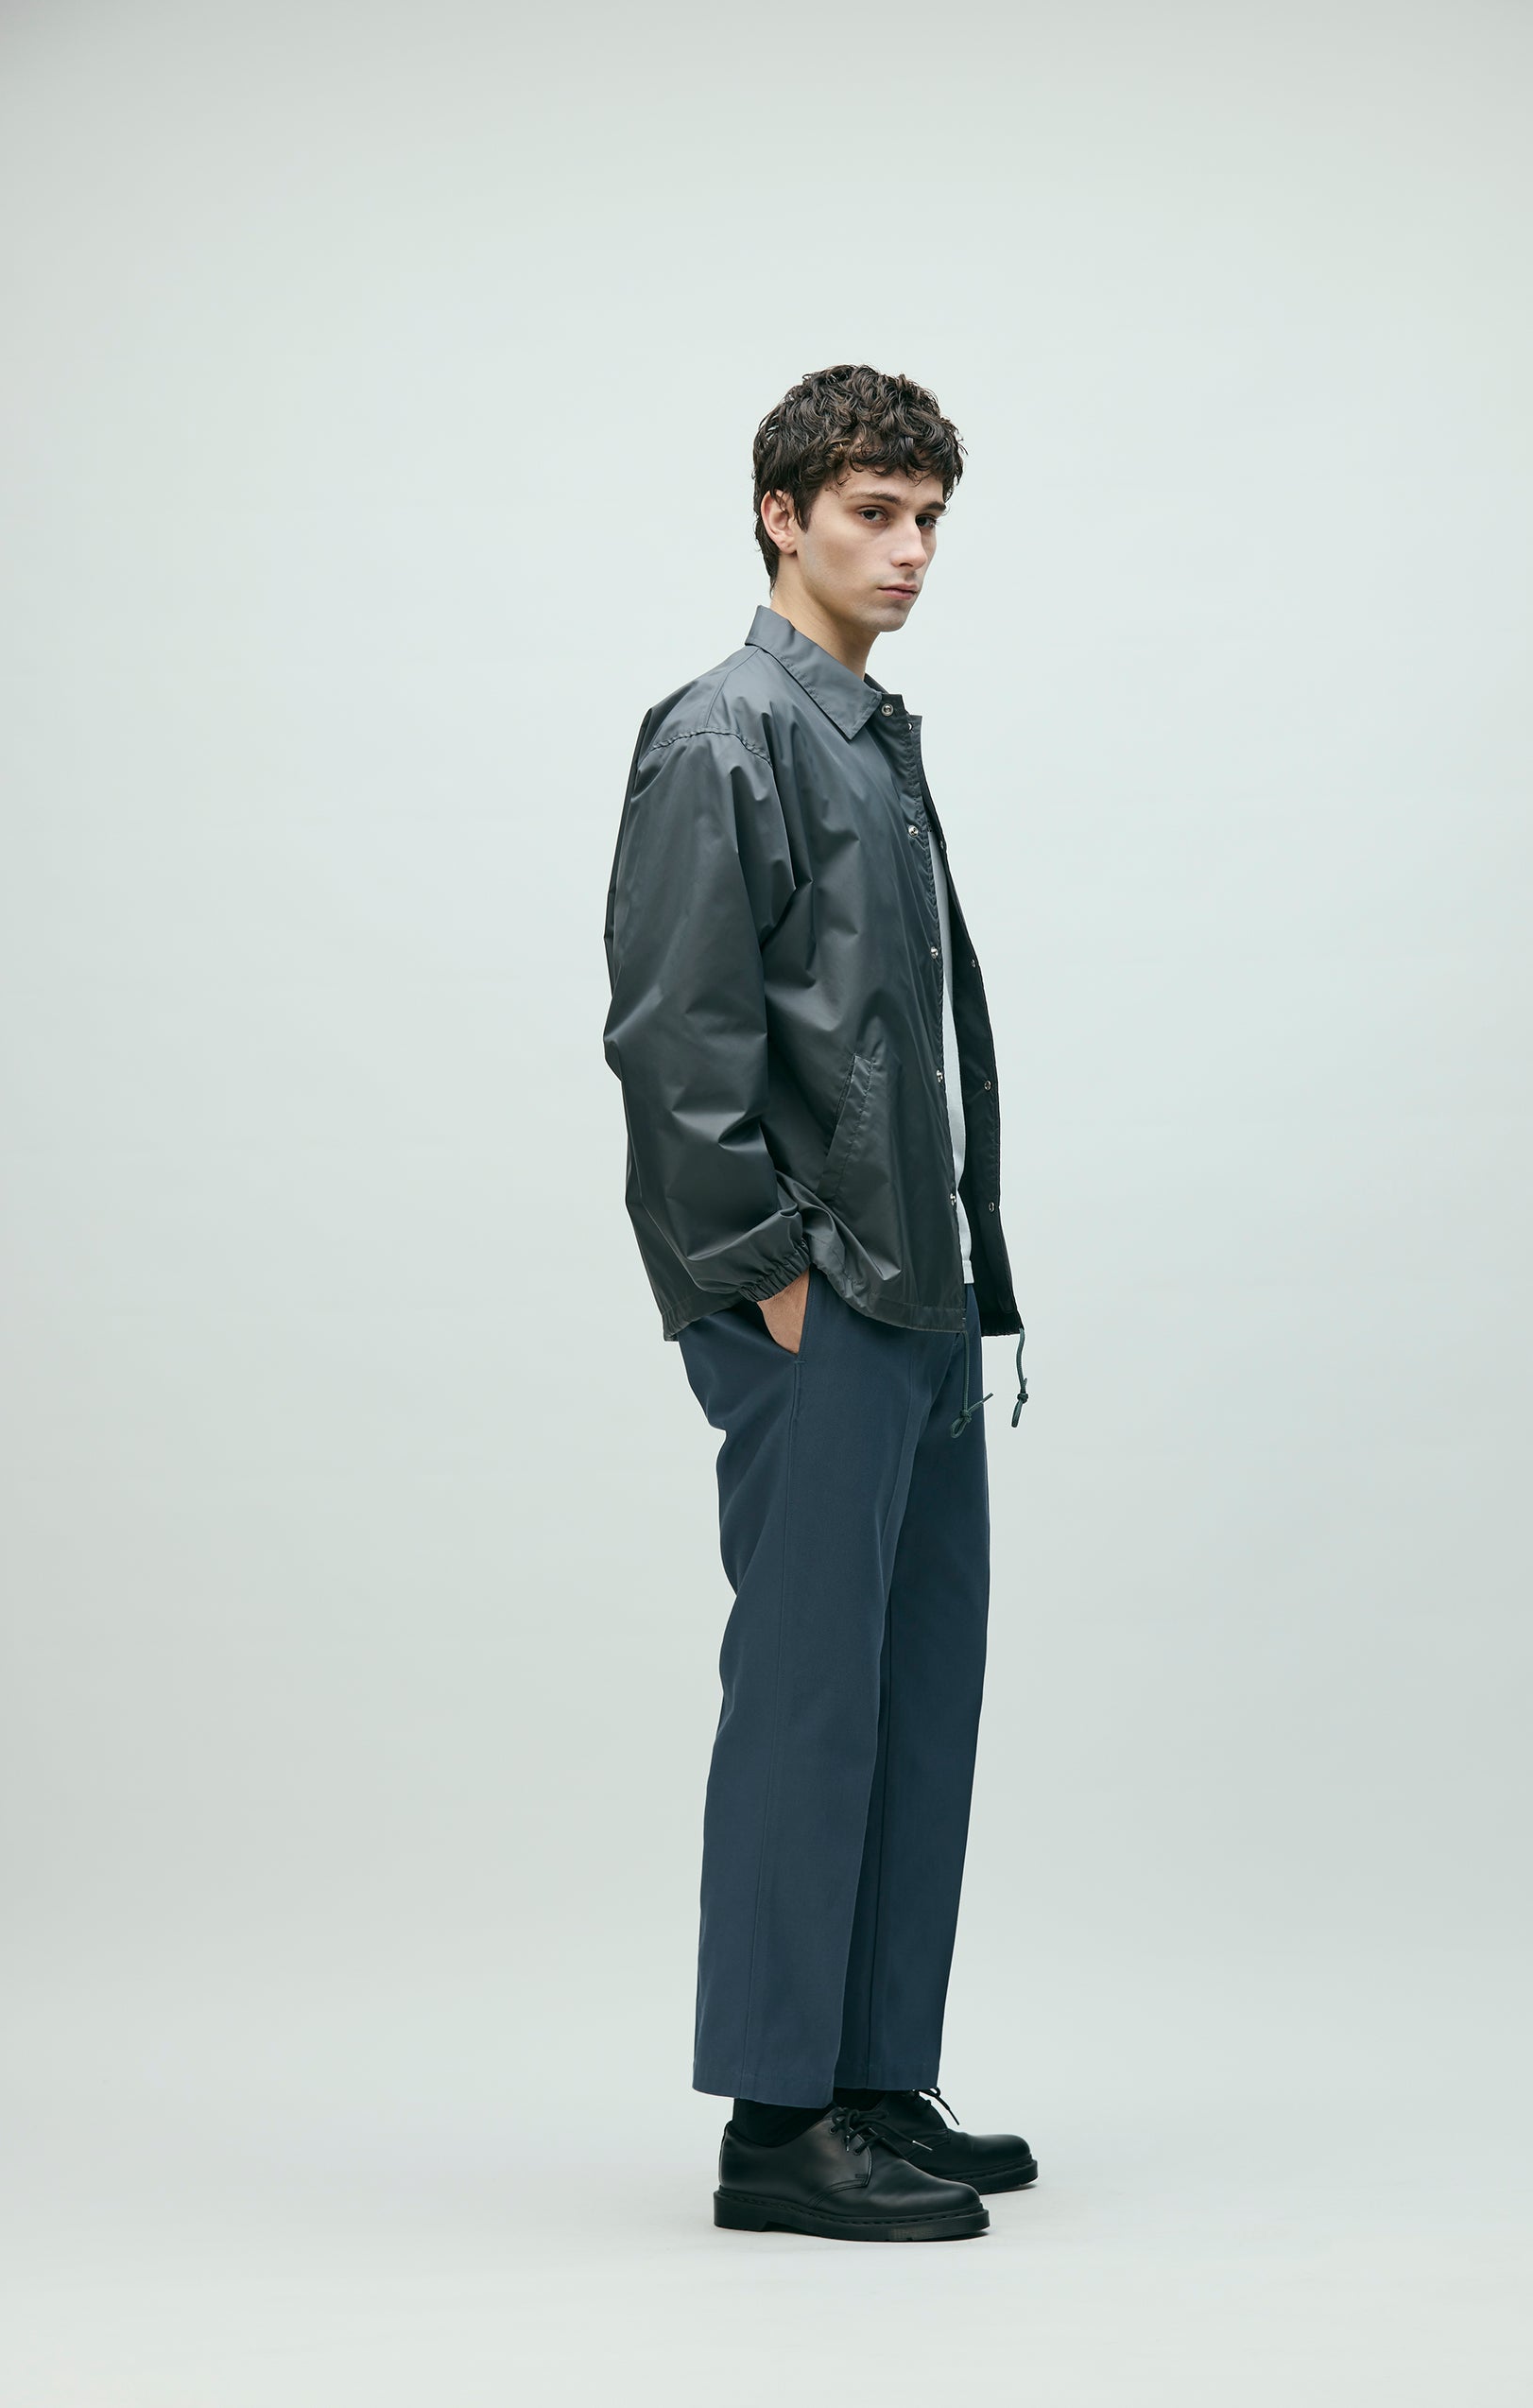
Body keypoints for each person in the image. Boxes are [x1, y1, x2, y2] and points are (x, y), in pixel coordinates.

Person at [601, 363, 1033, 2243]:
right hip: (818, 1295)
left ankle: (871, 2077)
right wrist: (763, 1274)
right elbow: (672, 1037)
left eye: (929, 515)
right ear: (782, 515)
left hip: (917, 1284)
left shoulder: (865, 731)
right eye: (874, 511)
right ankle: (778, 2125)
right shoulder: (726, 733)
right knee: (806, 1699)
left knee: (916, 1688)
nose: (911, 547)